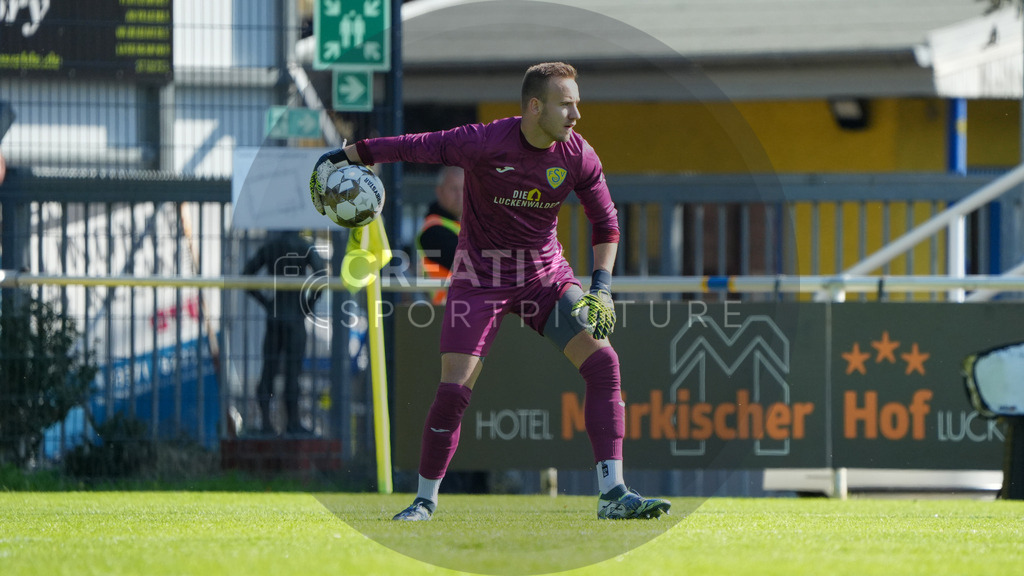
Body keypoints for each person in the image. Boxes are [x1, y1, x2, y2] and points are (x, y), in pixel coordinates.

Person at [310, 62, 671, 521]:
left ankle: (613, 494)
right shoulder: (483, 142)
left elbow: (607, 223)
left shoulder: (578, 154)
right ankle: (424, 501)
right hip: (479, 280)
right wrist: (350, 154)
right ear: (535, 107)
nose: (576, 115)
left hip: (544, 278)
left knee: (604, 364)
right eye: (566, 105)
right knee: (453, 392)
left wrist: (601, 288)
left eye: (577, 104)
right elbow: (414, 145)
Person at [242, 230, 326, 436]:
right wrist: (307, 305)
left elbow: (246, 276)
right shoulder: (305, 246)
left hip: (275, 314)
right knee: (292, 372)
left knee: (269, 370)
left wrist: (266, 303)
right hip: (295, 316)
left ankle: (266, 424)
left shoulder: (271, 247)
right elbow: (321, 279)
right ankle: (293, 423)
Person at [416, 165, 464, 305]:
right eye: (453, 189)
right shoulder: (433, 231)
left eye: (464, 189)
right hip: (445, 308)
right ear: (439, 191)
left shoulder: (464, 225)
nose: (460, 195)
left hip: (463, 306)